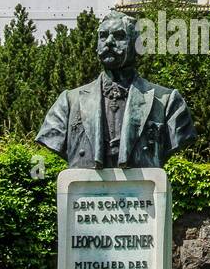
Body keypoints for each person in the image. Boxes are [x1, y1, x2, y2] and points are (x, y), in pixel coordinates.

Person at [36, 12, 195, 168]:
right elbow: (53, 139)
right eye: (103, 36)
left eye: (119, 36)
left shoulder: (168, 101)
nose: (109, 42)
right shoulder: (68, 102)